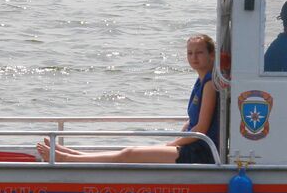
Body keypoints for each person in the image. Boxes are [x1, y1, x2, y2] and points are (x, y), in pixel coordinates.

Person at [38, 35, 220, 164]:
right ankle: (76, 154)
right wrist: (178, 138)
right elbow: (192, 121)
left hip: (200, 152)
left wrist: (173, 144)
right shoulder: (201, 81)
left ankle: (68, 159)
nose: (194, 58)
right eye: (190, 53)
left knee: (129, 153)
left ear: (212, 55)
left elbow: (201, 129)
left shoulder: (210, 84)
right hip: (192, 144)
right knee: (131, 151)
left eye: (199, 53)